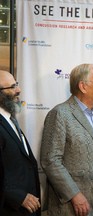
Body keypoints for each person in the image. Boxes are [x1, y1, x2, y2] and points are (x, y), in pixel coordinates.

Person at [40, 63, 93, 216]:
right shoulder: (60, 114)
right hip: (71, 207)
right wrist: (74, 194)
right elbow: (50, 161)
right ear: (83, 86)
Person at [0, 70, 41, 215]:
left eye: (16, 84)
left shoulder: (10, 119)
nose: (18, 90)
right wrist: (18, 197)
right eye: (12, 87)